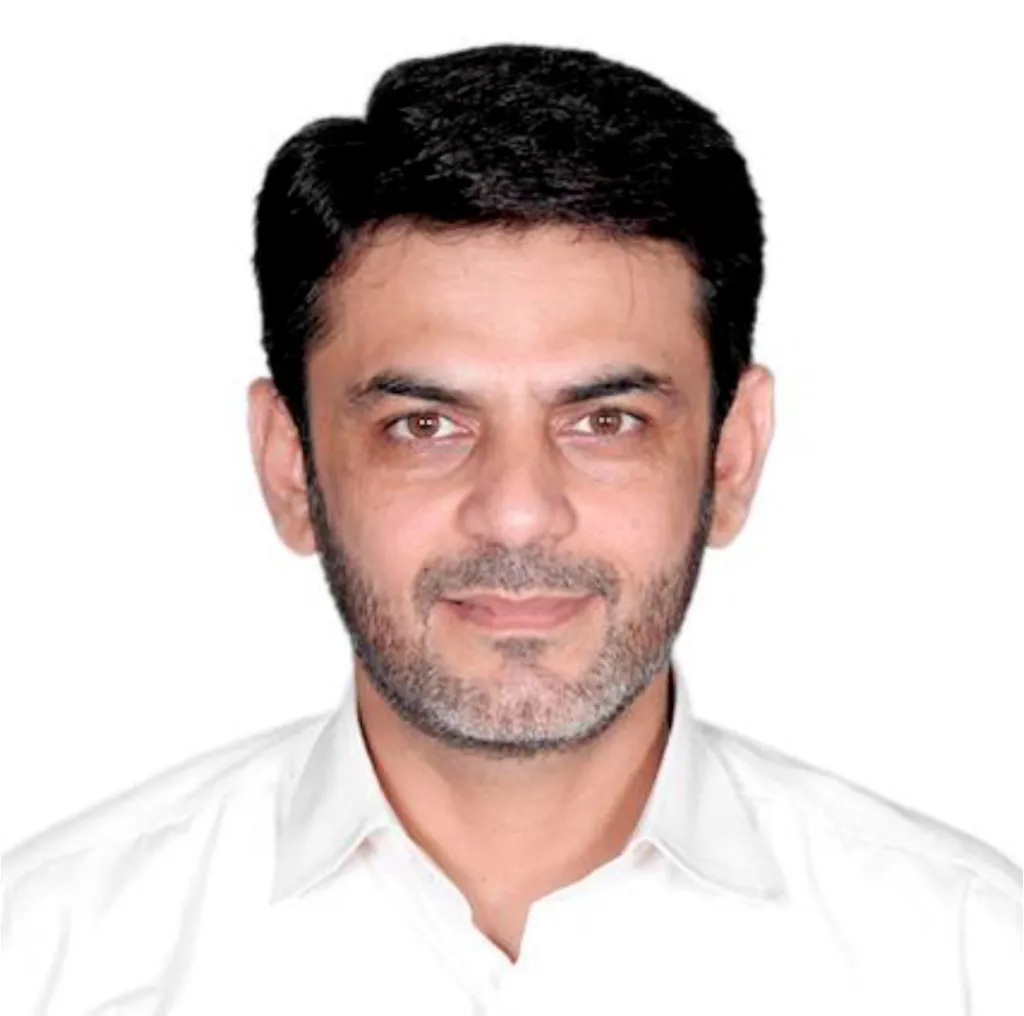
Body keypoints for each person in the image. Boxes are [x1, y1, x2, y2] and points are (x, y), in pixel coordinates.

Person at [2, 41, 1020, 1015]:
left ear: (731, 453)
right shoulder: (43, 954)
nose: (519, 508)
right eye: (424, 424)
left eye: (605, 420)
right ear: (290, 467)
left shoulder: (970, 960)